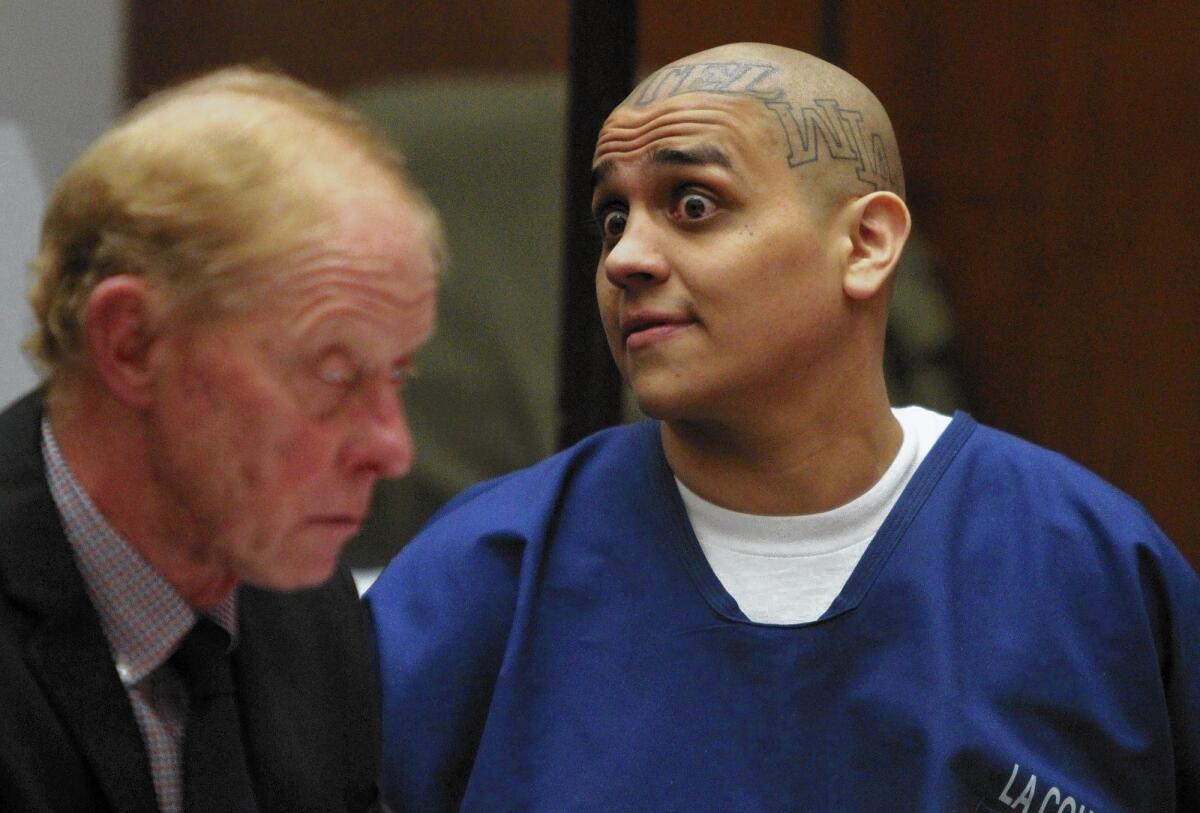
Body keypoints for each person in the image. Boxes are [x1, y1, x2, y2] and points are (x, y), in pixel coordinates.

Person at [367, 41, 1200, 811]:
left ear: (867, 244)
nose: (625, 259)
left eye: (693, 203)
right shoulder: (486, 573)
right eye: (613, 218)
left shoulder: (1088, 566)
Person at [0, 66, 442, 813]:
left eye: (395, 375)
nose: (392, 449)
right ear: (134, 342)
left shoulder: (299, 589)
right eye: (333, 373)